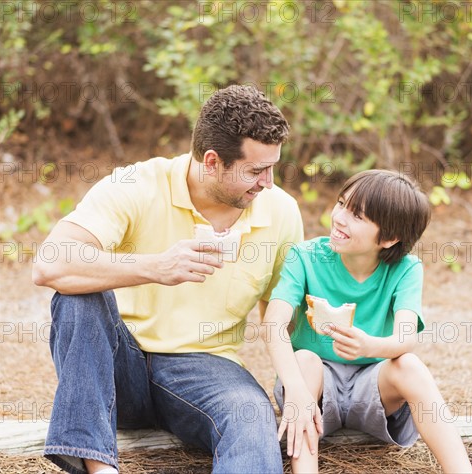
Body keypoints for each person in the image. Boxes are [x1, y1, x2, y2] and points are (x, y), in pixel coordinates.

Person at [32, 85, 303, 474]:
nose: (268, 182)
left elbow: (284, 317)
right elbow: (49, 264)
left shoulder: (281, 212)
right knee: (77, 295)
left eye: (273, 167)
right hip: (117, 363)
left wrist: (301, 386)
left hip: (206, 370)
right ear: (212, 161)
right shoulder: (136, 185)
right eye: (256, 171)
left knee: (250, 416)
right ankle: (99, 468)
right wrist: (155, 267)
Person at [263, 170, 472, 473]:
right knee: (306, 359)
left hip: (374, 390)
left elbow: (406, 337)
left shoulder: (406, 269)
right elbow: (273, 324)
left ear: (389, 238)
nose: (339, 217)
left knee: (410, 365)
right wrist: (295, 389)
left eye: (357, 216)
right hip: (313, 392)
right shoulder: (305, 256)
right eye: (341, 203)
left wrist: (368, 345)